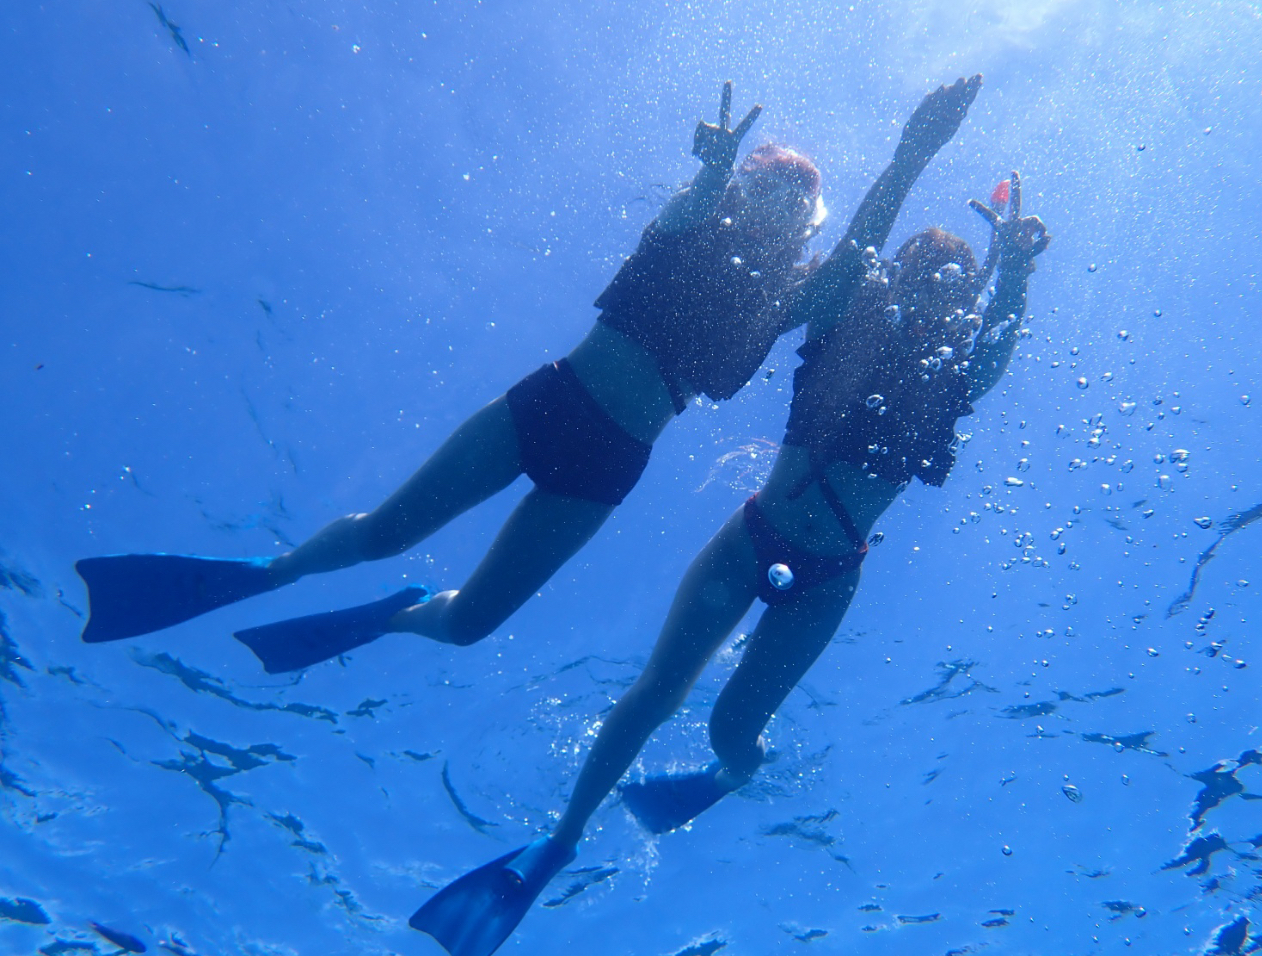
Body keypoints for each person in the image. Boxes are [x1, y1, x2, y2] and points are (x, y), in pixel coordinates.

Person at [410, 75, 1050, 956]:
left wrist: (1012, 275)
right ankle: (558, 841)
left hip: (831, 580)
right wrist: (913, 151)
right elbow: (860, 246)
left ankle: (729, 775)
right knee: (656, 691)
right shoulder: (844, 328)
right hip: (752, 541)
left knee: (732, 731)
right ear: (892, 282)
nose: (939, 289)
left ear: (965, 299)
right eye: (922, 271)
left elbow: (997, 350)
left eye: (956, 281)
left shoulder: (950, 383)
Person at [74, 82, 827, 670]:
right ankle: (275, 572)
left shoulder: (776, 304)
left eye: (796, 206)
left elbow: (843, 274)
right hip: (552, 402)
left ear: (806, 227)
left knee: (469, 627)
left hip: (610, 465)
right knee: (384, 536)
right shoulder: (692, 224)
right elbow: (691, 203)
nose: (777, 209)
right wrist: (714, 170)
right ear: (743, 189)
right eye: (767, 188)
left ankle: (394, 616)